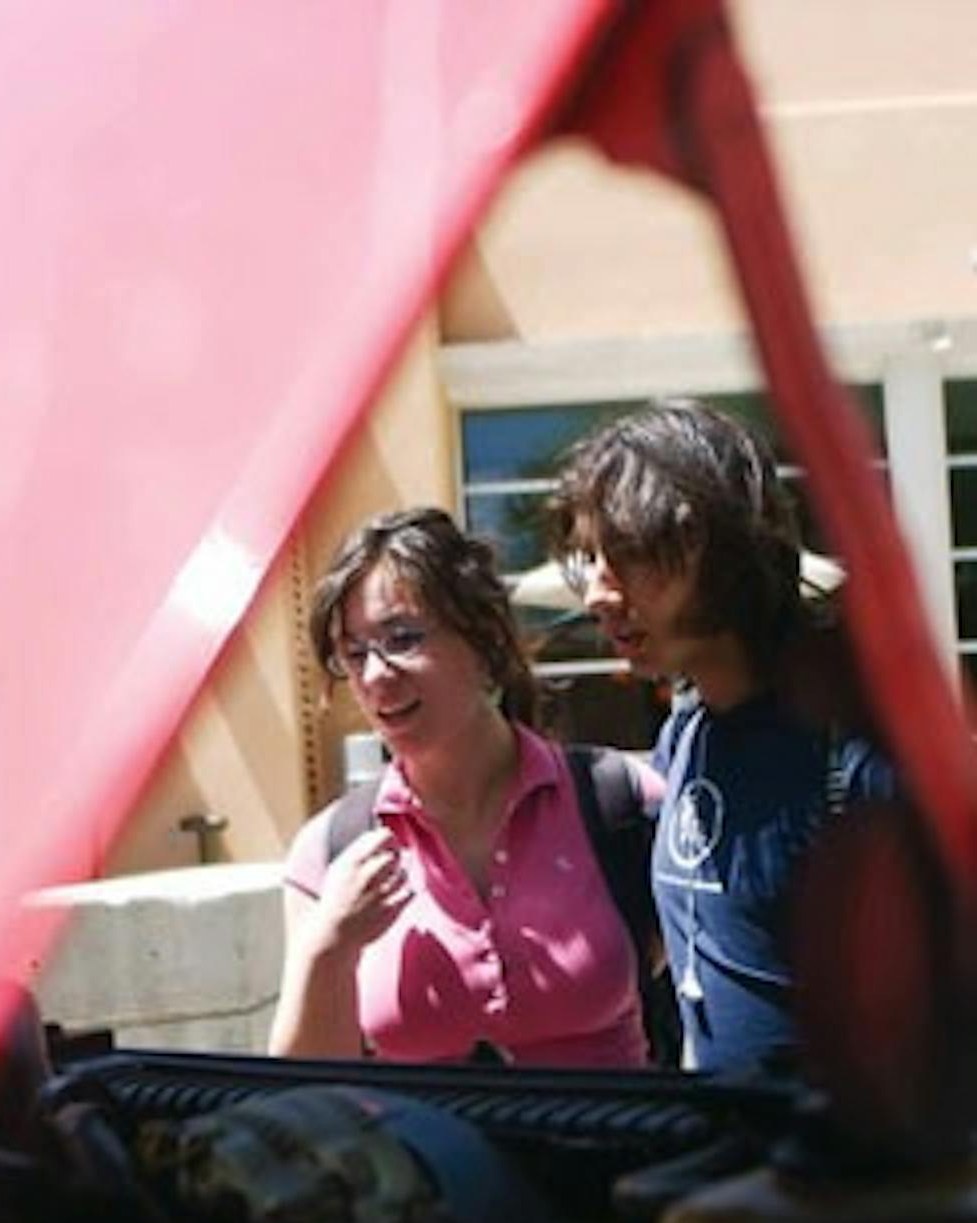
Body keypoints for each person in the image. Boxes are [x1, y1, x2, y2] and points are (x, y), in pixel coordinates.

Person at [549, 400, 896, 1075]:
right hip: (731, 1166)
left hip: (861, 1176)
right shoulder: (684, 737)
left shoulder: (859, 750)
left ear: (721, 548)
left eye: (623, 555)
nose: (595, 592)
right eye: (589, 559)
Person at [269, 507, 664, 1067]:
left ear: (485, 642)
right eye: (353, 653)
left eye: (401, 638)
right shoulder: (328, 851)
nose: (376, 674)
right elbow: (301, 1093)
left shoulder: (622, 804)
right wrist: (330, 946)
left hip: (624, 1152)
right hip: (423, 1155)